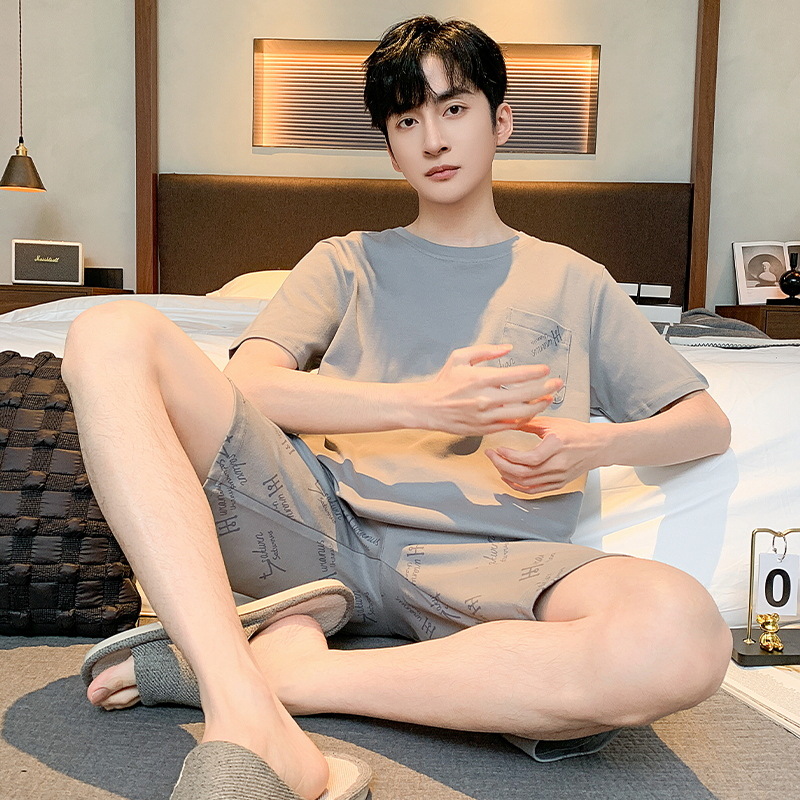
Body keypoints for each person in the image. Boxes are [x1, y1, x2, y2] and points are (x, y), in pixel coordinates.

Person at [64, 15, 733, 800]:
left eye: (454, 109)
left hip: (490, 561)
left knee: (683, 637)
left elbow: (705, 424)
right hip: (316, 529)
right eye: (407, 121)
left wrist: (592, 446)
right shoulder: (347, 261)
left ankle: (282, 675)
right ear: (390, 148)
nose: (433, 139)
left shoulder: (575, 280)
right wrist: (425, 404)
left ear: (501, 122)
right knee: (109, 328)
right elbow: (250, 384)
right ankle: (243, 702)